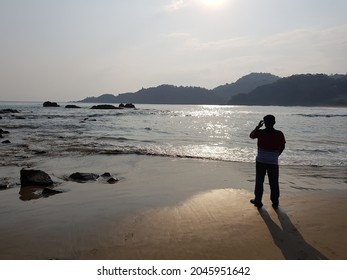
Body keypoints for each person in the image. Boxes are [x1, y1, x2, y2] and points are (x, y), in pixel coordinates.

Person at [249, 115, 286, 208]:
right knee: (273, 182)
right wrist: (277, 155)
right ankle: (275, 201)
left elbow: (251, 135)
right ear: (274, 122)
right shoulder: (279, 133)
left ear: (264, 123)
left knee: (259, 180)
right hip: (273, 161)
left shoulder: (260, 132)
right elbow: (283, 146)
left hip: (261, 160)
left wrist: (258, 127)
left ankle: (258, 200)